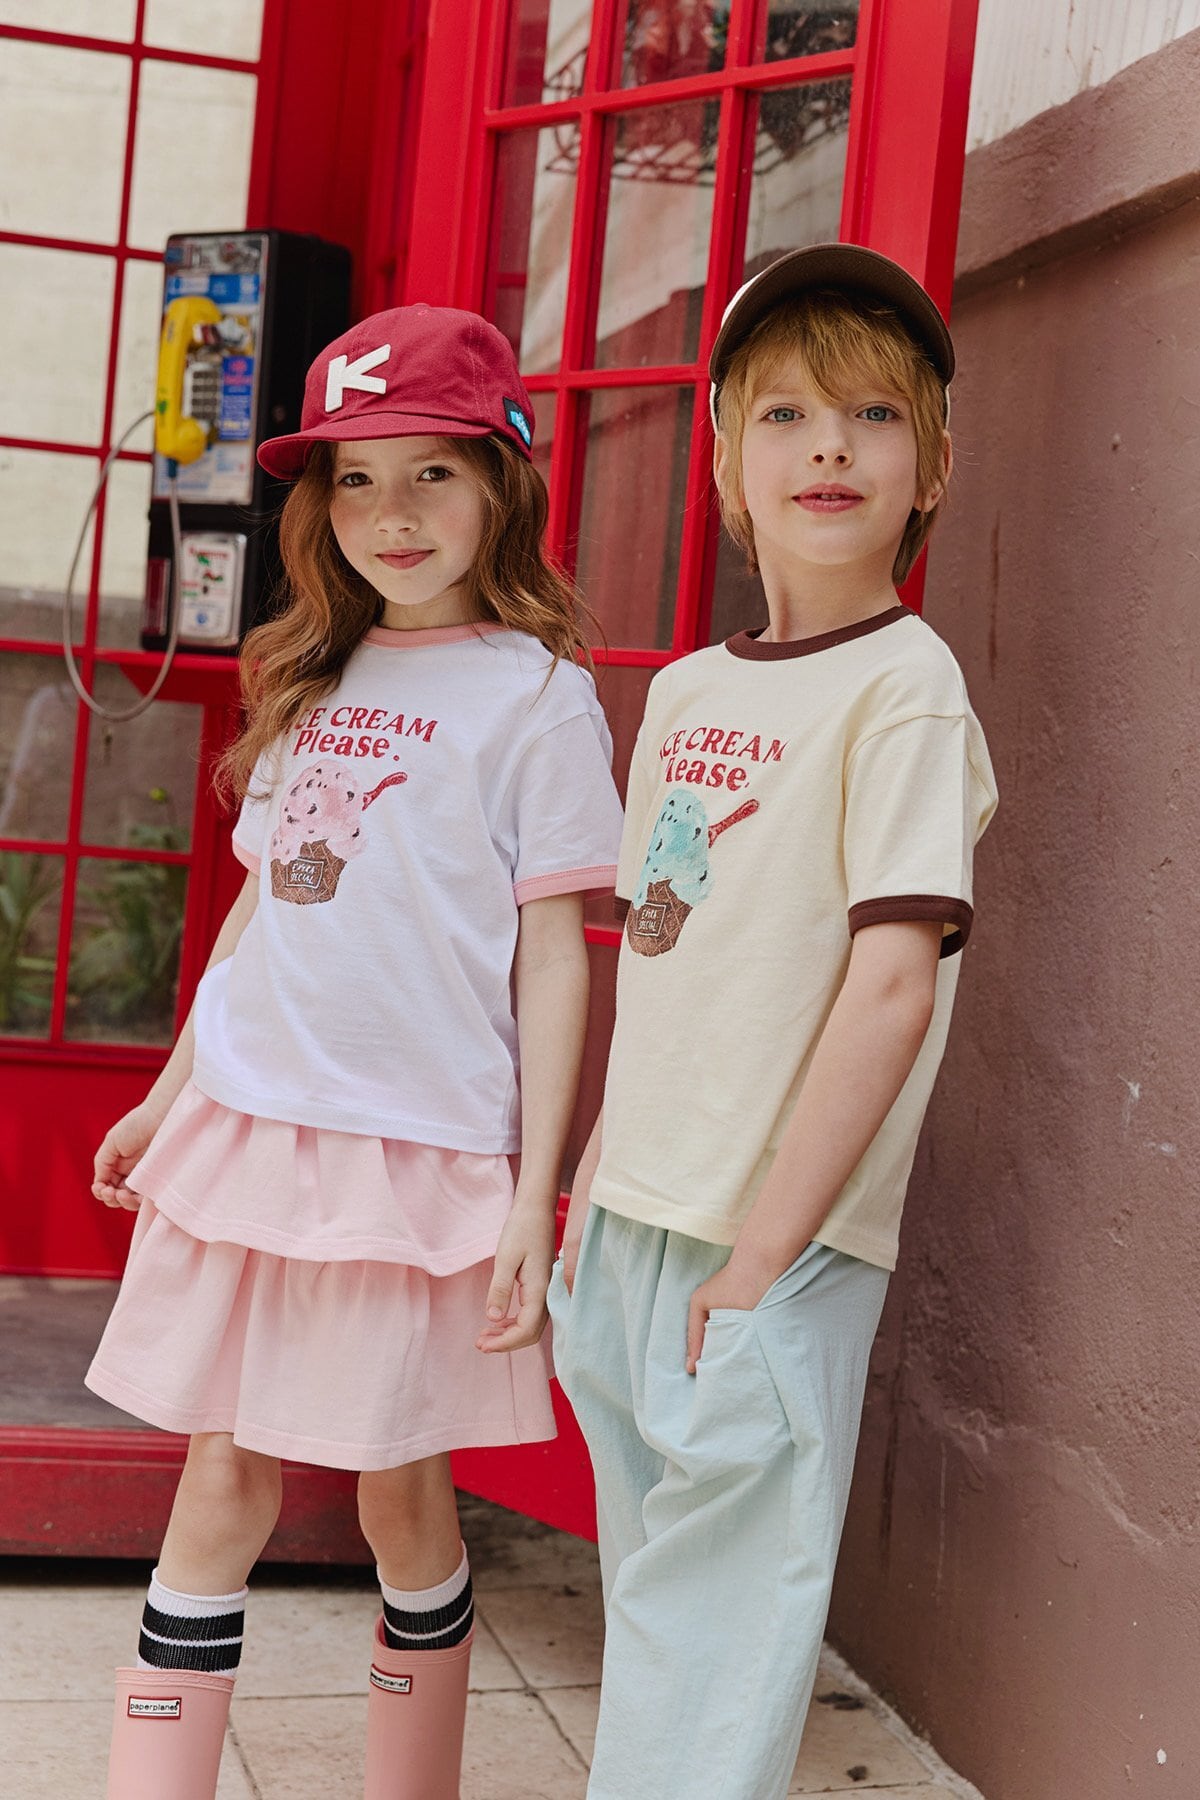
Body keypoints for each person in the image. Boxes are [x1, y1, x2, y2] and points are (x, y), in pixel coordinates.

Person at [86, 304, 624, 1800]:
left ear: (502, 483)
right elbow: (260, 912)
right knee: (220, 1478)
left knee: (400, 1492)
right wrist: (168, 1091)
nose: (394, 514)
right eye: (357, 479)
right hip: (252, 1131)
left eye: (432, 473)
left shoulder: (538, 697)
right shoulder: (312, 677)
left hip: (415, 1153)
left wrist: (532, 1191)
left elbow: (554, 954)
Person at [548, 244, 999, 1800]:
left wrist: (761, 1256)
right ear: (729, 464)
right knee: (658, 1602)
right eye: (788, 413)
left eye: (876, 416)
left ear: (932, 467)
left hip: (775, 1236)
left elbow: (893, 983)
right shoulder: (685, 692)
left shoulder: (907, 688)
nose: (830, 447)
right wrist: (592, 1177)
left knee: (720, 1621)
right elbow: (659, 955)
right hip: (633, 1217)